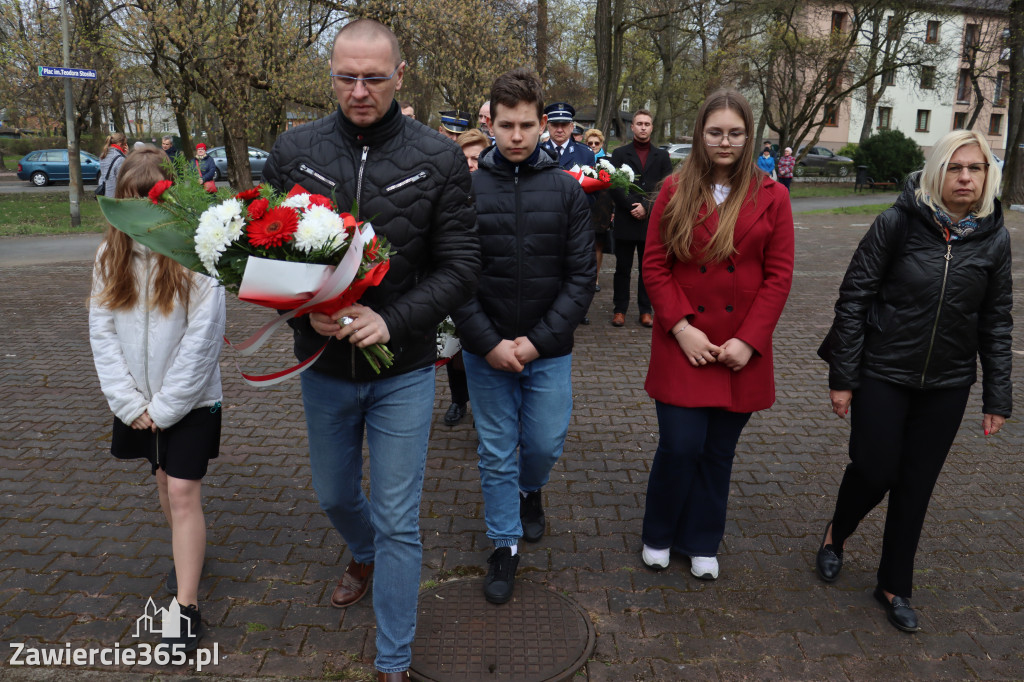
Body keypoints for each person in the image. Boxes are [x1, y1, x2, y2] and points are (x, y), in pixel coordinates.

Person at [261, 19, 480, 682]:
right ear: (330, 73)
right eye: (345, 77)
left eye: (374, 78)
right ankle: (361, 552)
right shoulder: (294, 150)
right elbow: (260, 253)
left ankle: (393, 662)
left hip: (403, 371)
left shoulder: (437, 158)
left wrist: (391, 321)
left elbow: (462, 264)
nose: (359, 91)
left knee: (397, 517)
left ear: (400, 76)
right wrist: (304, 309)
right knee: (333, 493)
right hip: (322, 367)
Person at [814, 129, 1012, 633]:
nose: (965, 177)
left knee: (916, 487)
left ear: (987, 176)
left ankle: (894, 584)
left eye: (976, 168)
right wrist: (844, 376)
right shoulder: (897, 223)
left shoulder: (994, 236)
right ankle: (837, 534)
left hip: (947, 383)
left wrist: (998, 396)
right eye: (955, 167)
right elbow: (854, 299)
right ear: (937, 171)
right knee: (875, 469)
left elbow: (997, 320)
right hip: (884, 371)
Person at [452, 68, 594, 605]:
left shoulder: (565, 192)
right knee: (494, 451)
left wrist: (535, 343)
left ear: (543, 125)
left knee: (542, 443)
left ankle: (531, 490)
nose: (516, 136)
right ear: (490, 123)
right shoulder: (465, 189)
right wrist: (488, 343)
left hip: (548, 350)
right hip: (485, 349)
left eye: (526, 125)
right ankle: (504, 544)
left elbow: (581, 279)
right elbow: (455, 273)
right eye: (506, 125)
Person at [639, 89, 794, 581]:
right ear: (699, 135)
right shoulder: (674, 189)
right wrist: (681, 328)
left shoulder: (774, 196)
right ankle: (659, 531)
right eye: (714, 132)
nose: (724, 142)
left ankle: (702, 539)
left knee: (717, 453)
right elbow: (655, 265)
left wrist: (749, 341)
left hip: (739, 351)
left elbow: (779, 276)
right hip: (683, 342)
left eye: (734, 133)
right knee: (681, 446)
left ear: (749, 137)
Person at [88, 147, 226, 653]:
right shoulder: (111, 256)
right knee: (165, 481)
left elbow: (202, 341)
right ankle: (186, 549)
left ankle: (186, 608)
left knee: (185, 490)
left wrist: (166, 408)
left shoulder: (197, 260)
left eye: (151, 206)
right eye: (130, 206)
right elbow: (101, 332)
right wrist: (128, 403)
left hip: (188, 402)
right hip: (137, 403)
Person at [441, 128, 491, 427]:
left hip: (487, 282)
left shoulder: (492, 189)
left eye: (476, 159)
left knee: (484, 350)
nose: (471, 165)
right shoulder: (448, 190)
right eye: (465, 159)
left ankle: (485, 410)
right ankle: (459, 401)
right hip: (454, 282)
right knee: (454, 349)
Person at [609, 109, 672, 328]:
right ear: (632, 127)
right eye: (639, 123)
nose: (643, 127)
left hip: (650, 221)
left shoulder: (662, 156)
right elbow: (615, 184)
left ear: (652, 127)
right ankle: (620, 310)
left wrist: (646, 207)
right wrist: (632, 206)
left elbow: (665, 186)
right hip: (627, 219)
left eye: (647, 123)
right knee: (622, 268)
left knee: (648, 269)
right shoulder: (619, 154)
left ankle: (646, 310)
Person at [584, 128, 614, 297]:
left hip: (602, 207)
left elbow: (614, 186)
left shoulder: (608, 161)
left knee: (598, 245)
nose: (594, 146)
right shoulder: (582, 158)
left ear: (602, 144)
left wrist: (613, 209)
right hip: (584, 206)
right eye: (590, 143)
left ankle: (595, 278)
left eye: (597, 143)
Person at [540, 102, 595, 170]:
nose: (559, 130)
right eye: (555, 125)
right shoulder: (538, 151)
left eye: (564, 125)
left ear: (571, 127)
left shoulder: (585, 154)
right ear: (548, 127)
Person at [97, 132, 128, 198]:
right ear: (120, 144)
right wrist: (126, 156)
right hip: (115, 195)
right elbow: (122, 179)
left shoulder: (103, 155)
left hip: (104, 193)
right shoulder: (120, 158)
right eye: (125, 144)